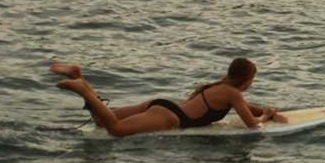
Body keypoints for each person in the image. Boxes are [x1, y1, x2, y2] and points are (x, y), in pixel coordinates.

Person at [51, 58, 287, 137]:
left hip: (162, 105)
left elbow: (247, 107)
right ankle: (81, 89)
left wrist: (266, 110)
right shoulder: (234, 94)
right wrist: (267, 115)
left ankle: (80, 77)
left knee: (104, 121)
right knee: (115, 130)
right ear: (246, 81)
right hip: (170, 118)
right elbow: (252, 125)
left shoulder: (220, 87)